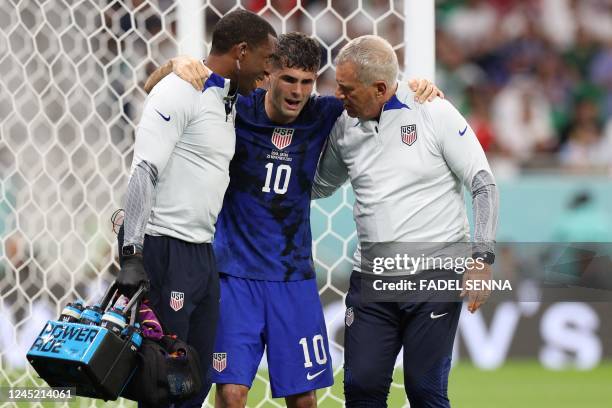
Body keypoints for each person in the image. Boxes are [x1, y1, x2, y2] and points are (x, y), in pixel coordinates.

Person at [145, 32, 442, 407]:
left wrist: (421, 91)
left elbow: (379, 96)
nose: (298, 91)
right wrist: (174, 66)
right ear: (267, 74)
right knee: (233, 393)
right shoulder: (235, 105)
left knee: (304, 400)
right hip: (235, 276)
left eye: (307, 82)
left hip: (294, 278)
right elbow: (152, 89)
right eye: (288, 79)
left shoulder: (325, 113)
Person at [312, 35, 499, 407]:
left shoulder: (433, 112)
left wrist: (481, 259)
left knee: (424, 390)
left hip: (435, 274)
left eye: (347, 89)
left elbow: (483, 183)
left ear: (380, 88)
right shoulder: (345, 128)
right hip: (372, 280)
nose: (339, 95)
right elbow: (319, 186)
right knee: (362, 389)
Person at [115, 10, 277, 407]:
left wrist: (173, 62)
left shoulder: (229, 98)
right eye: (265, 59)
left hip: (202, 252)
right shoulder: (179, 91)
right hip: (163, 245)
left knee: (195, 378)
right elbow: (144, 172)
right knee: (161, 380)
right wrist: (132, 254)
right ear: (241, 52)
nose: (268, 72)